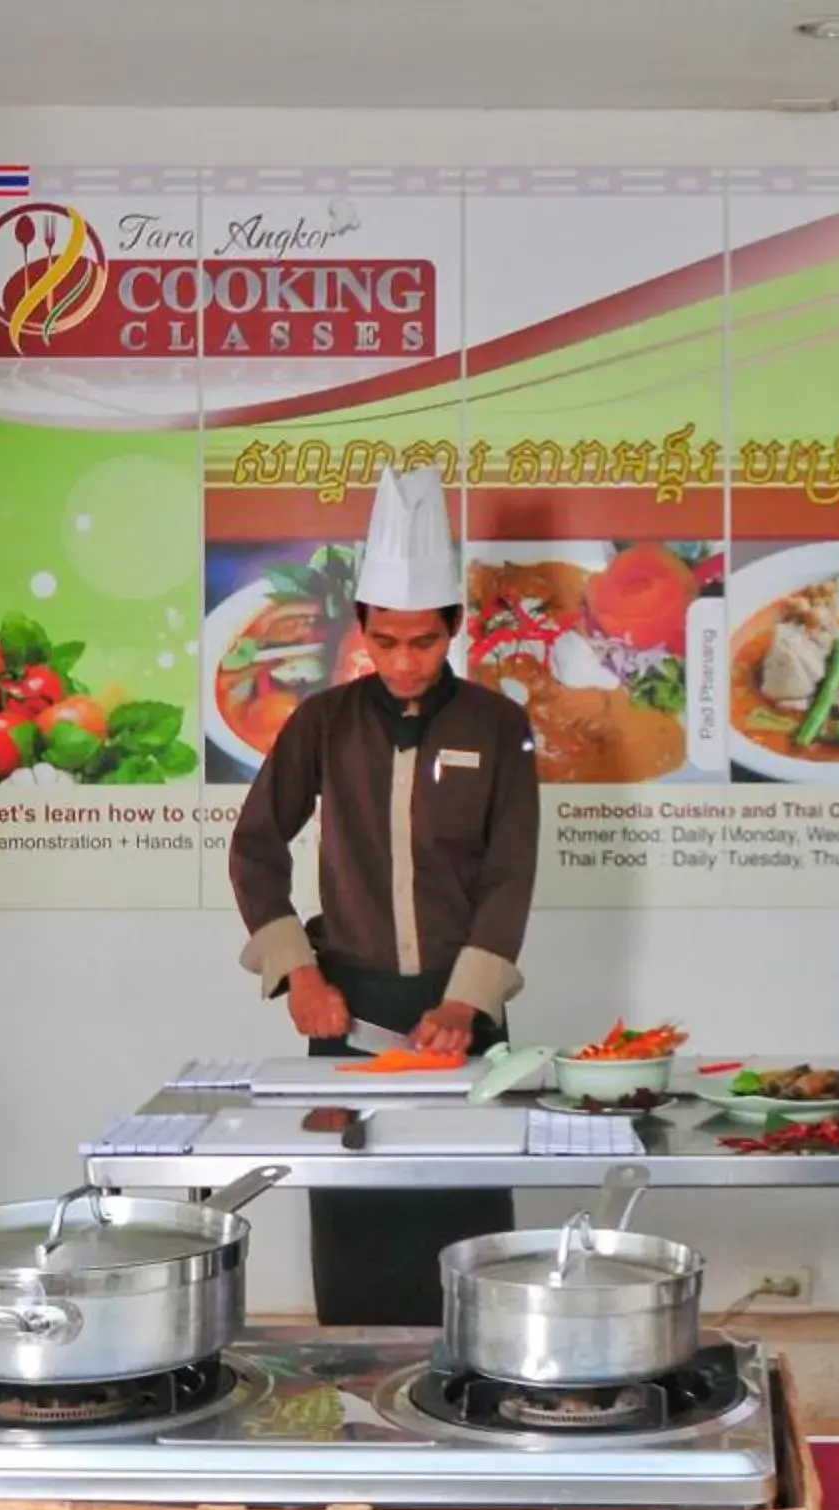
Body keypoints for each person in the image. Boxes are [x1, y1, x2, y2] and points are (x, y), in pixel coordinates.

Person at [229, 465, 540, 1325]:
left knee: (465, 1240)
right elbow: (256, 848)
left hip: (460, 1020)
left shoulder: (497, 726)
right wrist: (300, 974)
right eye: (386, 642)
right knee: (359, 1232)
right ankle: (356, 1418)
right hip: (349, 1013)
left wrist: (466, 1002)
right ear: (362, 627)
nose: (404, 664)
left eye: (425, 644)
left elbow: (511, 872)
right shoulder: (322, 724)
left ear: (454, 630)